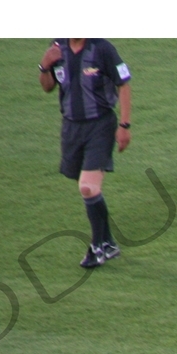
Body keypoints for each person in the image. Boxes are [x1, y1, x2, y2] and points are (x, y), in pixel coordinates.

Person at [38, 39, 133, 268]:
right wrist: (44, 66)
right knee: (88, 190)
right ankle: (109, 244)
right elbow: (48, 86)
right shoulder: (57, 47)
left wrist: (124, 125)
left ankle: (97, 247)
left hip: (100, 125)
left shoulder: (102, 49)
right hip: (71, 128)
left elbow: (124, 83)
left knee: (88, 187)